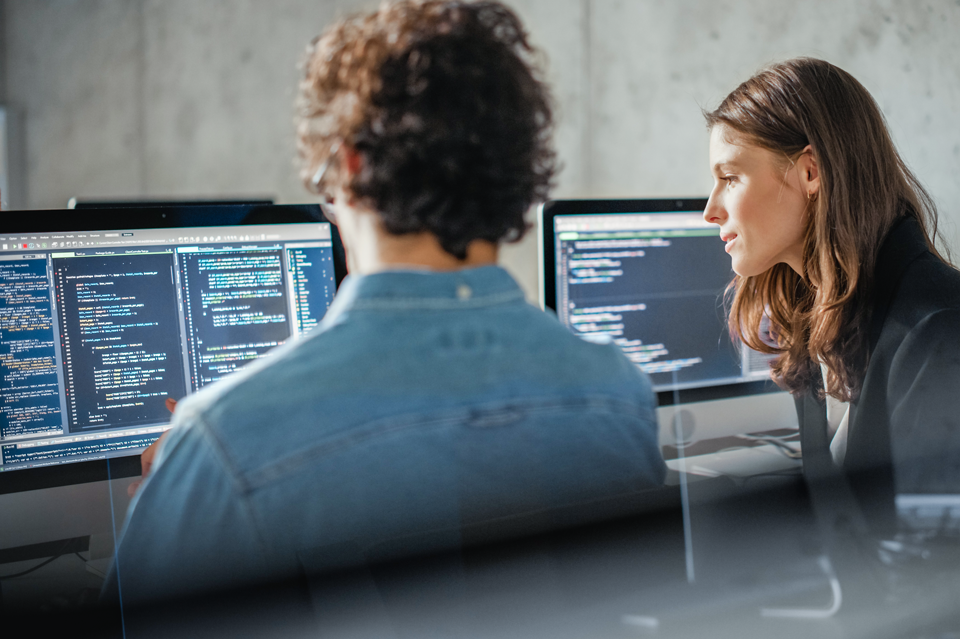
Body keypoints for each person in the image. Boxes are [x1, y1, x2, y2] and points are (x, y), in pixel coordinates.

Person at [107, 0, 665, 604]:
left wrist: (185, 488)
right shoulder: (618, 394)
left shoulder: (226, 440)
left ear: (348, 166)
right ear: (516, 170)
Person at [702, 57, 960, 531]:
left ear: (810, 173)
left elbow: (939, 567)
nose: (710, 210)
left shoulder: (938, 332)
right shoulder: (817, 322)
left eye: (730, 177)